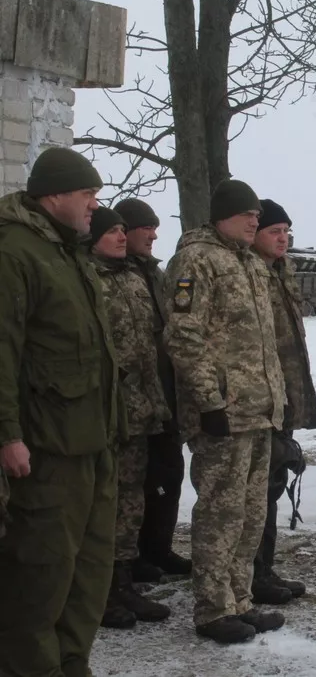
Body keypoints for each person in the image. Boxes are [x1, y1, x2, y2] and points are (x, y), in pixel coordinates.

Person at [0, 147, 120, 677]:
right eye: (87, 194)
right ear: (53, 196)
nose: (95, 204)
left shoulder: (69, 252)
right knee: (39, 578)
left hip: (93, 441)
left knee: (88, 574)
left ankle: (72, 664)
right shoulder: (14, 252)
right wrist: (7, 435)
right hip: (45, 450)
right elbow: (2, 350)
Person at [163, 179, 287, 644]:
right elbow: (183, 336)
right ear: (222, 216)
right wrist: (208, 401)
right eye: (246, 214)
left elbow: (261, 343)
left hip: (258, 410)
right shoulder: (196, 260)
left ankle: (240, 600)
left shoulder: (250, 263)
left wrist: (277, 398)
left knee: (251, 514)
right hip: (224, 413)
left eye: (257, 215)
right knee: (221, 512)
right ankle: (213, 610)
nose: (255, 221)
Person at [87, 207, 175, 628]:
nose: (122, 237)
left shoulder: (134, 278)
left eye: (124, 230)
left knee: (131, 500)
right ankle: (99, 591)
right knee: (104, 502)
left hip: (141, 409)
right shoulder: (87, 279)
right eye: (113, 231)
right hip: (105, 412)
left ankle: (123, 583)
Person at [113, 197, 192, 581]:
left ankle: (159, 549)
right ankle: (132, 560)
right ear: (125, 231)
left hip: (165, 396)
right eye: (146, 228)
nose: (154, 235)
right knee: (135, 483)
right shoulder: (112, 276)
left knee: (168, 475)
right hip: (134, 400)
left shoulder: (155, 274)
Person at [249, 199, 316, 605]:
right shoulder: (247, 273)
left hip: (283, 395)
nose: (283, 239)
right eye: (275, 231)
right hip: (258, 396)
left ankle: (262, 568)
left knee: (273, 482)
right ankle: (251, 572)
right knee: (257, 489)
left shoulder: (280, 271)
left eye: (287, 232)